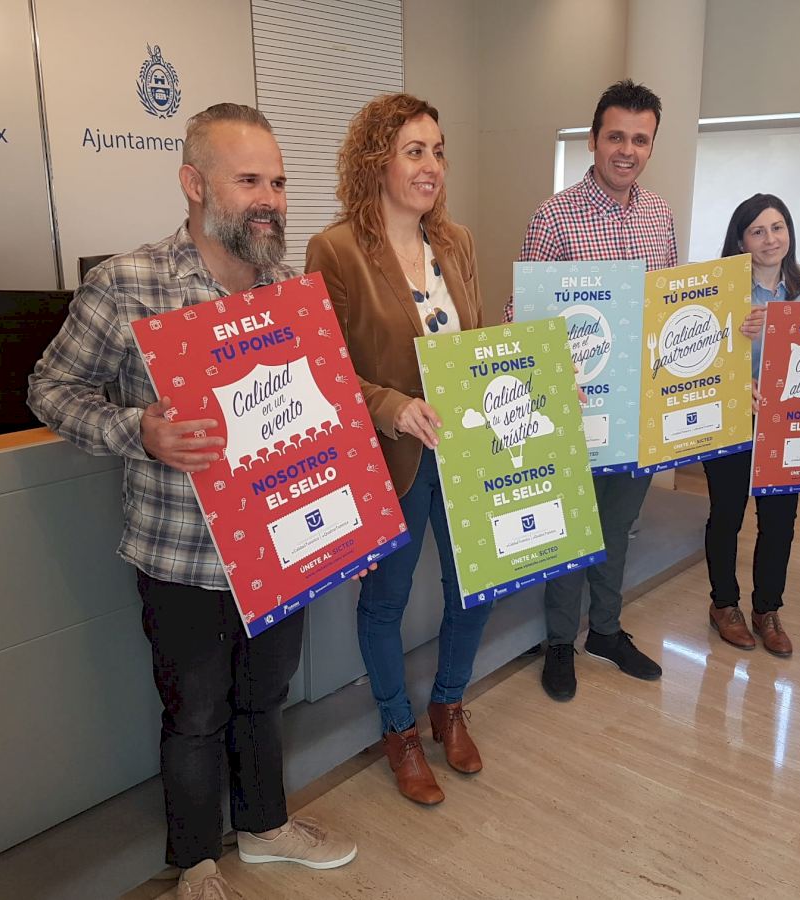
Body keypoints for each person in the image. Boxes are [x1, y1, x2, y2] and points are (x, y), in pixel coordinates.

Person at [29, 103, 356, 900]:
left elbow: (318, 414)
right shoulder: (127, 284)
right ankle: (197, 861)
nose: (269, 199)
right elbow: (49, 387)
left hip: (280, 547)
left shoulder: (292, 293)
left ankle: (266, 829)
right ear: (194, 183)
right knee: (195, 715)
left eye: (278, 182)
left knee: (265, 698)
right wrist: (137, 430)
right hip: (182, 554)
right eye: (249, 181)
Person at [305, 93, 490, 806]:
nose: (431, 165)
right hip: (392, 454)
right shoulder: (336, 250)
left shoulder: (457, 242)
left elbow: (475, 343)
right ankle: (399, 731)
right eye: (414, 151)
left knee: (476, 585)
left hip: (464, 444)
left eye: (438, 152)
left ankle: (449, 704)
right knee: (386, 600)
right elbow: (320, 366)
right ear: (376, 160)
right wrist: (390, 405)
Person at [504, 79, 676, 701]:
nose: (627, 150)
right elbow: (520, 313)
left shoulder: (659, 216)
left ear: (651, 145)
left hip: (635, 407)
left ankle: (604, 631)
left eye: (640, 140)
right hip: (574, 406)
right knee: (570, 525)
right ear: (593, 140)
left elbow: (665, 305)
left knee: (618, 526)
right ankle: (558, 642)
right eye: (616, 137)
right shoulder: (554, 217)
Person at [704, 193, 800, 658]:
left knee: (780, 521)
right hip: (730, 419)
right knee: (727, 515)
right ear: (741, 241)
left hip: (783, 424)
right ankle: (723, 605)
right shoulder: (720, 289)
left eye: (778, 227)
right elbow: (699, 359)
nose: (770, 239)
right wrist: (735, 348)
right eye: (758, 231)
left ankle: (767, 610)